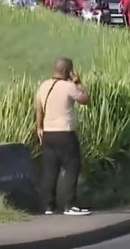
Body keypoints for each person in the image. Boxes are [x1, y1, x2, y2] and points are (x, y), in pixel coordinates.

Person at [34, 57, 91, 216]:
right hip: (65, 133)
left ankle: (49, 206)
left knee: (50, 170)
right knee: (72, 167)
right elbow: (85, 99)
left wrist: (39, 127)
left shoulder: (44, 85)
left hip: (48, 133)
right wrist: (78, 82)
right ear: (67, 71)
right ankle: (70, 205)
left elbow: (38, 108)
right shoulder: (69, 87)